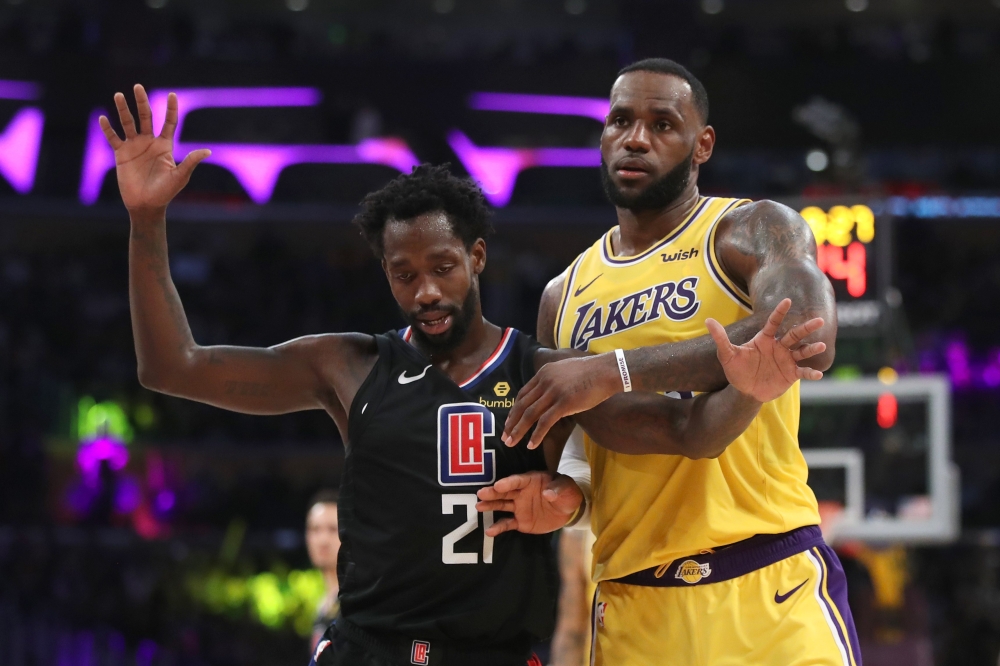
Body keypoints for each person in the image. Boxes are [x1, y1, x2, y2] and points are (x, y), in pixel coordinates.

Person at [101, 84, 826, 666]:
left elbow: (686, 432)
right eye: (403, 274)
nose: (425, 292)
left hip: (498, 651)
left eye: (442, 267)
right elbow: (173, 367)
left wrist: (746, 393)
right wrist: (145, 221)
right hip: (369, 650)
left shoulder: (546, 371)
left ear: (477, 258)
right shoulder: (348, 365)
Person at [481, 59, 859, 666]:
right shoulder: (565, 293)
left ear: (701, 143)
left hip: (768, 583)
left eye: (662, 124)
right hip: (636, 606)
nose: (636, 138)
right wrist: (568, 499)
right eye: (621, 121)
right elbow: (580, 457)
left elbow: (805, 329)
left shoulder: (748, 227)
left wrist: (614, 368)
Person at [305, 489, 341, 652]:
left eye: (333, 529)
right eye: (315, 529)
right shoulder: (322, 605)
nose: (323, 540)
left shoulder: (357, 601)